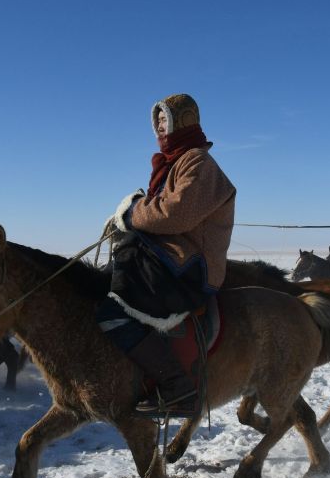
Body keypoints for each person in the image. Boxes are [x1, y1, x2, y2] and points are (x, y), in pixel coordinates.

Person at [97, 94, 236, 417]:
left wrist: (131, 212)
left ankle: (177, 386)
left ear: (184, 121)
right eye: (157, 120)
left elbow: (175, 214)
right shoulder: (174, 163)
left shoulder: (198, 163)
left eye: (166, 119)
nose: (160, 126)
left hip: (191, 268)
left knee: (112, 313)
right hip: (171, 257)